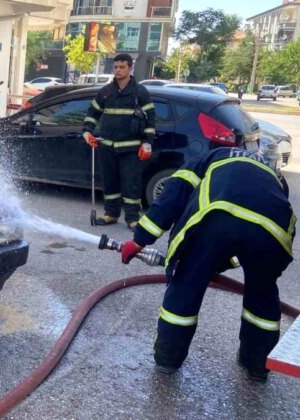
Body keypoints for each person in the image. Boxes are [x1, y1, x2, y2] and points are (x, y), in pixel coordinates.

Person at [121, 139, 295, 382]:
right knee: (263, 295)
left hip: (215, 218)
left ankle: (167, 360)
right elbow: (275, 210)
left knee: (186, 284)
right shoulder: (274, 173)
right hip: (273, 231)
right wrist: (262, 270)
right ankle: (256, 365)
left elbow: (174, 193)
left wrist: (140, 240)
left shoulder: (214, 156)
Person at [82, 53, 156, 230]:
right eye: (115, 67)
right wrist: (87, 132)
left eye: (122, 67)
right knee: (110, 181)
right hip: (107, 146)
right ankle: (111, 214)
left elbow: (150, 119)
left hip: (131, 149)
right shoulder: (106, 92)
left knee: (131, 183)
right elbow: (92, 113)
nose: (118, 70)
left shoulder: (139, 92)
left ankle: (132, 218)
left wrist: (147, 143)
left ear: (130, 68)